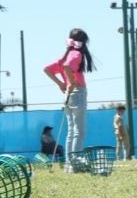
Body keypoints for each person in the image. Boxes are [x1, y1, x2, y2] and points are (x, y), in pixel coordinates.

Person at [44, 28, 94, 173]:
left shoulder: (65, 56)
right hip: (78, 92)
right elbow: (67, 67)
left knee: (71, 131)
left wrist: (61, 84)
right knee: (80, 131)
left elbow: (47, 69)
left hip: (68, 94)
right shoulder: (76, 54)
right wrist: (71, 82)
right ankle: (75, 163)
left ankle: (69, 165)